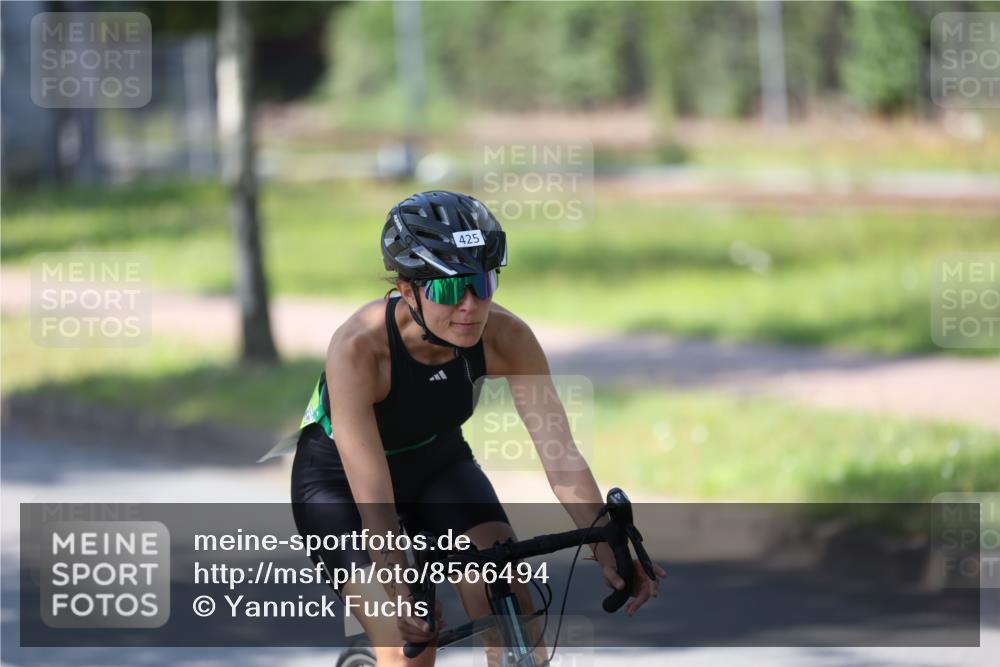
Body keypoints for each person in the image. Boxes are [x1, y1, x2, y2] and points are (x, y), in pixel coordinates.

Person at [290, 190, 664, 666]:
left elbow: (562, 458)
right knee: (410, 649)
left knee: (507, 589)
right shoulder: (359, 349)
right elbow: (376, 508)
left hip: (437, 463)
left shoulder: (508, 338)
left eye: (482, 283)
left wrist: (609, 545)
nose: (469, 306)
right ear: (408, 291)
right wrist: (397, 586)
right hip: (340, 483)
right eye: (448, 290)